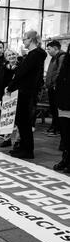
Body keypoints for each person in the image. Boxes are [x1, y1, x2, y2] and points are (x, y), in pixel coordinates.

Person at [6, 30, 47, 159]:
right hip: (27, 90)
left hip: (26, 92)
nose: (23, 41)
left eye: (24, 39)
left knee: (24, 122)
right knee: (22, 121)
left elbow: (22, 73)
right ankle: (23, 147)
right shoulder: (34, 55)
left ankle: (27, 150)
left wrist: (10, 86)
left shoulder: (34, 55)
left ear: (31, 39)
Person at [53, 44, 70, 173]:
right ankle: (66, 159)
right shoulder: (66, 62)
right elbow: (60, 80)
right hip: (63, 103)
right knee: (65, 135)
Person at [45, 40, 66, 137]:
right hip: (51, 87)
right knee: (53, 109)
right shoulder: (54, 58)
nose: (47, 51)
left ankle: (57, 128)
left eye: (49, 49)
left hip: (56, 88)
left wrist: (54, 84)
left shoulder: (61, 57)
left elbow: (59, 72)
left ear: (55, 48)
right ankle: (54, 126)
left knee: (56, 109)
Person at [0, 49, 20, 148]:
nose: (11, 56)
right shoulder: (4, 67)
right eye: (9, 55)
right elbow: (2, 81)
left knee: (18, 119)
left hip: (18, 93)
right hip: (7, 94)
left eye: (13, 54)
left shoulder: (21, 66)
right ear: (6, 58)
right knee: (7, 117)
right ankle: (6, 139)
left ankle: (17, 140)